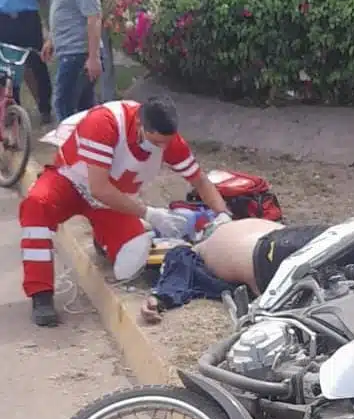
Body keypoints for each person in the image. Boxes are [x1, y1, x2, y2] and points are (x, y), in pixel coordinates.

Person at [19, 95, 232, 327]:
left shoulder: (169, 140)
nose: (162, 148)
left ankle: (106, 241)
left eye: (165, 143)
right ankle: (41, 294)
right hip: (71, 181)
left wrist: (223, 216)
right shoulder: (105, 122)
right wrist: (150, 214)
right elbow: (98, 188)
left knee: (130, 264)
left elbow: (200, 180)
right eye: (157, 141)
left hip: (114, 200)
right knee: (36, 205)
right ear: (140, 125)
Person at [140, 217, 354, 323]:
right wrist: (160, 296)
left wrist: (160, 296)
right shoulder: (198, 247)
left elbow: (178, 268)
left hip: (281, 248)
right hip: (275, 252)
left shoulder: (212, 241)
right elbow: (177, 266)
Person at [42, 0, 103, 120]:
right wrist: (51, 40)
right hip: (68, 53)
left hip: (79, 54)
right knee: (84, 109)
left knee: (63, 105)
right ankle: (88, 141)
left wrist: (94, 57)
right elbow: (62, 11)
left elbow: (94, 18)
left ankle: (68, 142)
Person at [0, 0, 53, 123]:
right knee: (7, 68)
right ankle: (14, 111)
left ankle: (45, 108)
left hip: (27, 19)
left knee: (37, 63)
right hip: (4, 21)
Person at [90, 0, 117, 103]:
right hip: (84, 18)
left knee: (105, 59)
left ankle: (109, 98)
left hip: (101, 16)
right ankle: (91, 100)